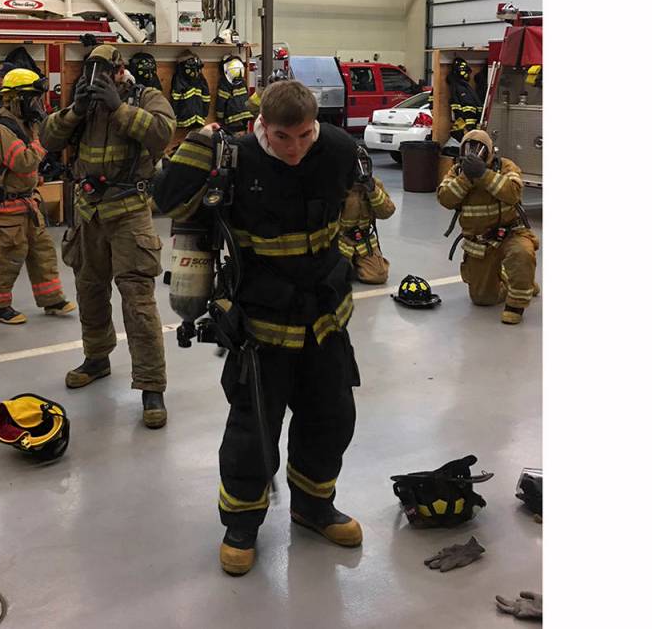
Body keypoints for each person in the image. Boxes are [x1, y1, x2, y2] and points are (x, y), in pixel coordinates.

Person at [153, 80, 363, 576]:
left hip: (326, 317)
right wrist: (198, 146)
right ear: (260, 126)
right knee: (253, 431)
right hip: (261, 324)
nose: (295, 150)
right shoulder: (233, 160)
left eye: (305, 136)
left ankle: (313, 507)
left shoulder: (337, 149)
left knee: (332, 417)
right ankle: (242, 524)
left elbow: (360, 209)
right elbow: (167, 198)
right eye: (283, 137)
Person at [39, 45, 177, 429]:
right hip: (88, 213)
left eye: (104, 69)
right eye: (90, 70)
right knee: (89, 290)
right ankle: (97, 358)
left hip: (129, 213)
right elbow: (48, 139)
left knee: (138, 301)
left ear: (119, 70)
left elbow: (162, 134)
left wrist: (119, 108)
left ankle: (152, 387)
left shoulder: (145, 97)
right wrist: (76, 110)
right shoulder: (82, 105)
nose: (96, 77)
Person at [0, 68, 77, 324]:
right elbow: (21, 161)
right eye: (31, 98)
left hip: (28, 201)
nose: (36, 104)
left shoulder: (26, 123)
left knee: (42, 250)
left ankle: (51, 299)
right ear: (14, 98)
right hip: (7, 206)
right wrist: (42, 142)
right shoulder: (0, 128)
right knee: (9, 256)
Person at [437, 129, 539, 324]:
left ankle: (516, 304)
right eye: (468, 148)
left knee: (522, 253)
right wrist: (467, 177)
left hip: (511, 234)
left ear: (490, 151)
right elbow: (445, 199)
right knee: (483, 299)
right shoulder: (457, 172)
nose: (473, 152)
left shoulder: (505, 166)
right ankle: (511, 281)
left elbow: (513, 194)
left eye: (479, 148)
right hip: (480, 242)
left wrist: (484, 174)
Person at [338, 146, 396, 284]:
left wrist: (372, 191)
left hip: (363, 241)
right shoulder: (337, 186)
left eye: (364, 163)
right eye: (357, 165)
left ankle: (356, 264)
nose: (362, 169)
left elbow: (387, 212)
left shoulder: (374, 185)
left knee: (378, 276)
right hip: (339, 241)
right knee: (337, 278)